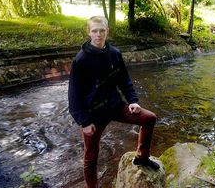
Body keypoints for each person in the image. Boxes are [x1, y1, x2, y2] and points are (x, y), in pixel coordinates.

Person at [68, 15, 159, 188]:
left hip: (116, 106)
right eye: (94, 31)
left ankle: (141, 158)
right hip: (93, 115)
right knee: (91, 155)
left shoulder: (115, 54)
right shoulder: (80, 60)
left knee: (149, 118)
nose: (98, 34)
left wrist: (132, 101)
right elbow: (74, 96)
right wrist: (84, 122)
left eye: (102, 30)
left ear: (107, 31)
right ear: (89, 32)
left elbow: (124, 80)